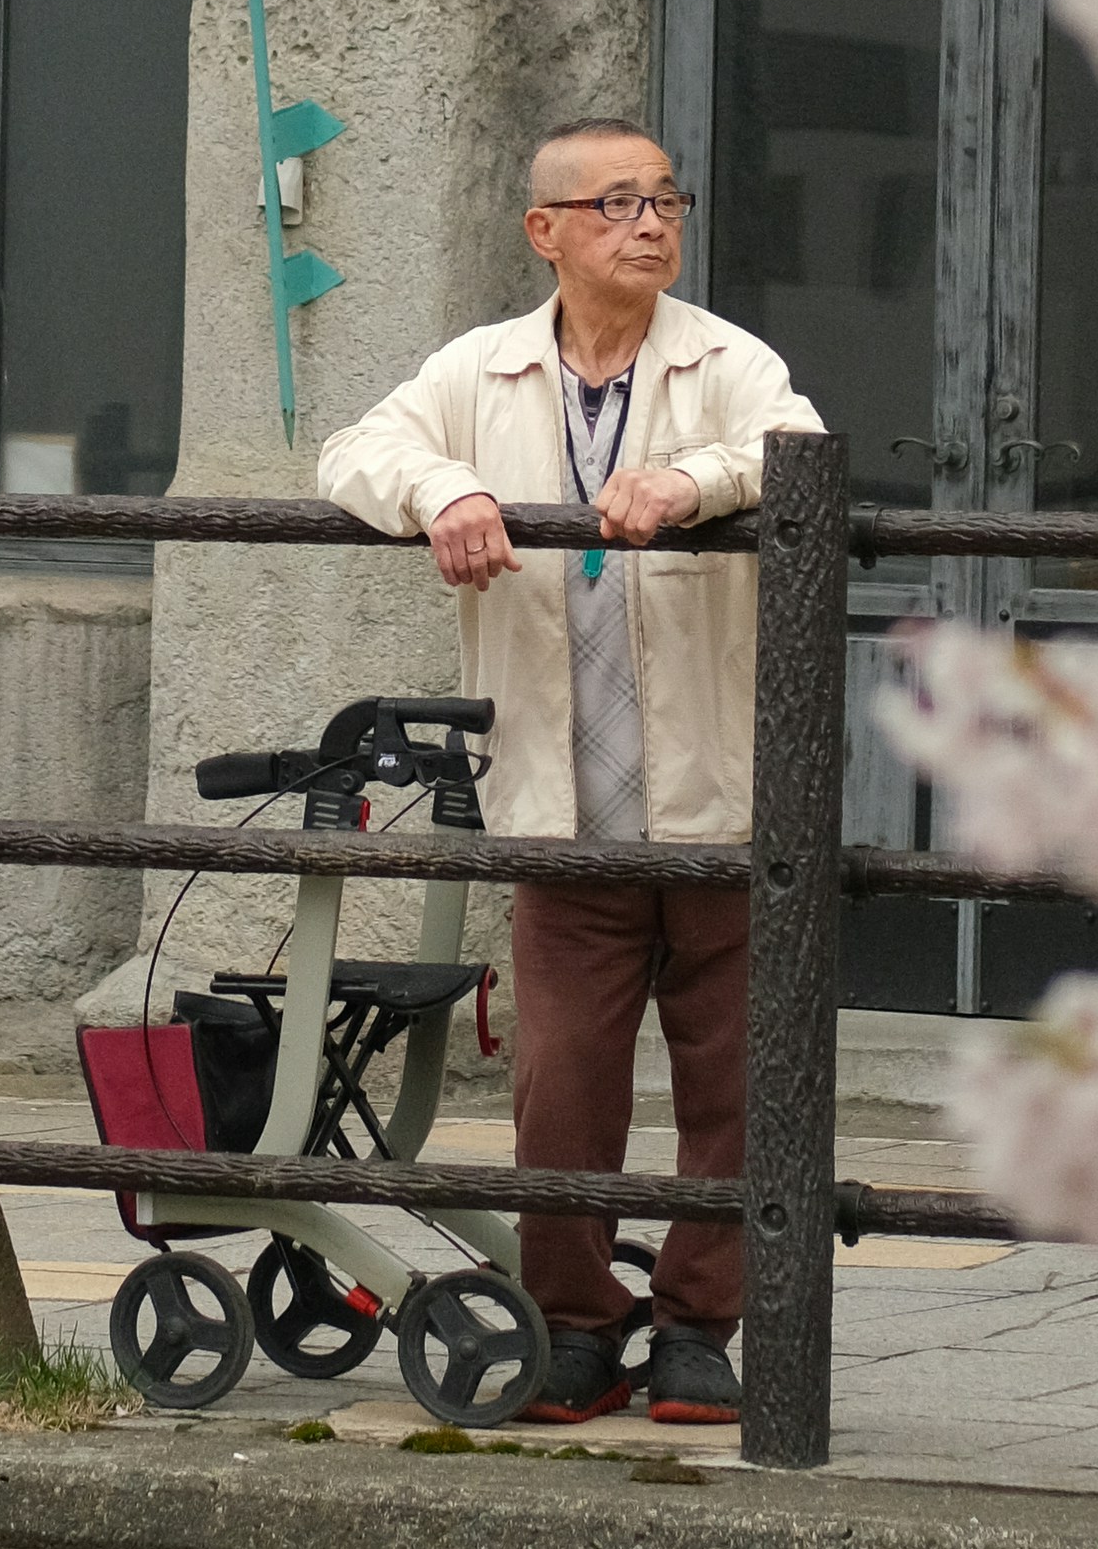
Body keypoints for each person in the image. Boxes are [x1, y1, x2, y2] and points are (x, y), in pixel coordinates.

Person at [317, 120, 825, 1427]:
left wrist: (693, 481)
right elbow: (351, 451)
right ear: (545, 231)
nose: (649, 222)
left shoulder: (726, 358)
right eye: (615, 201)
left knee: (735, 1077)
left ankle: (703, 1328)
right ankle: (581, 1325)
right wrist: (442, 490)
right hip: (561, 808)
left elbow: (800, 448)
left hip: (717, 805)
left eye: (665, 198)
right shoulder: (479, 370)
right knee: (562, 1085)